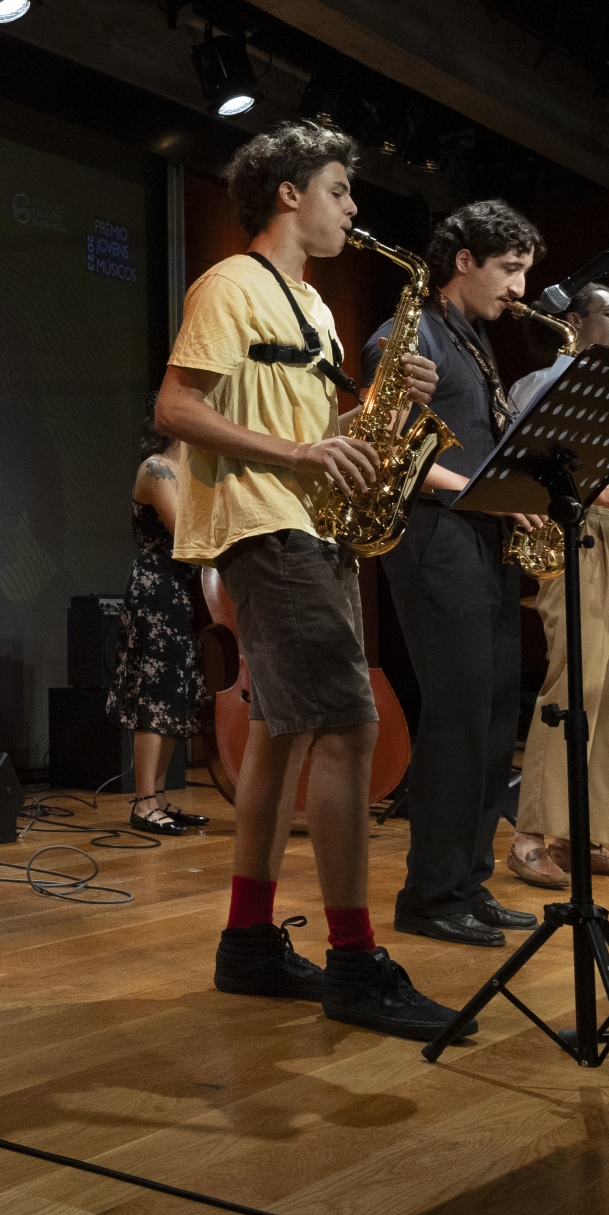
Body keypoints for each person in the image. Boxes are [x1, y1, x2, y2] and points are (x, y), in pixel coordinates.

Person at [155, 119, 472, 1041]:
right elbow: (175, 405)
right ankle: (354, 960)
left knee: (283, 735)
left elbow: (323, 427)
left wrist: (383, 408)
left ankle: (249, 941)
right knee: (348, 727)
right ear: (289, 193)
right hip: (268, 525)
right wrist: (298, 452)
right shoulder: (231, 284)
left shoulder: (317, 308)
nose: (354, 206)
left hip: (315, 527)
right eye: (340, 188)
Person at [362, 200, 546, 949]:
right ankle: (430, 895)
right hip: (435, 535)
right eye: (510, 268)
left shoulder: (473, 338)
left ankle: (468, 880)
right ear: (464, 260)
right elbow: (390, 450)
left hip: (482, 535)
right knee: (458, 716)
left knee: (496, 716)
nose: (521, 288)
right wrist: (480, 490)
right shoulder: (408, 336)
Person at [497, 285, 609, 887]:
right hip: (578, 532)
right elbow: (528, 466)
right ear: (573, 320)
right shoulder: (541, 384)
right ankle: (529, 838)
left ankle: (584, 837)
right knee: (577, 685)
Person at [110, 399, 209, 835]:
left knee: (173, 696)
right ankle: (143, 801)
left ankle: (161, 797)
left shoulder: (193, 473)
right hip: (158, 591)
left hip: (183, 591)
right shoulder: (156, 469)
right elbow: (185, 531)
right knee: (154, 696)